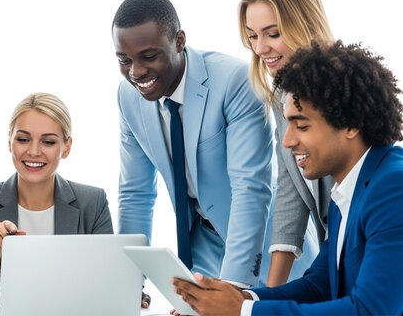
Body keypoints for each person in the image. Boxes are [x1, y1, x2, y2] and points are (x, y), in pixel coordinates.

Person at [172, 41, 403, 315]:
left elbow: (370, 310)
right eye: (288, 123)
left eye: (301, 125)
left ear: (351, 124)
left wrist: (242, 313)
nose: (287, 141)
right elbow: (319, 286)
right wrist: (239, 298)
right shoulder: (350, 188)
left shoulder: (392, 188)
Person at [112, 0, 274, 299]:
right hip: (202, 250)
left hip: (264, 248)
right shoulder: (127, 97)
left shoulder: (235, 80)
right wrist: (129, 283)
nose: (136, 72)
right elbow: (135, 194)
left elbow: (250, 186)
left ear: (178, 41)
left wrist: (234, 287)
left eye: (148, 56)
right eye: (124, 60)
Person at [0, 92, 113, 310]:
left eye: (48, 142)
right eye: (23, 139)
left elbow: (107, 286)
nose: (33, 151)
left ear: (66, 147)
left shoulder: (93, 203)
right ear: (10, 142)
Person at [239, 0, 336, 286]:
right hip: (333, 256)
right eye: (253, 36)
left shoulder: (345, 89)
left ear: (304, 25)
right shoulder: (283, 96)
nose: (260, 48)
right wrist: (269, 291)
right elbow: (291, 191)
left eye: (272, 33)